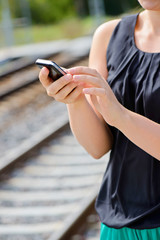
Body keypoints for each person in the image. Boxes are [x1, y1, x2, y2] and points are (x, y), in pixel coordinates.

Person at [39, 0, 160, 239]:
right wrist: (74, 101)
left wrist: (121, 116)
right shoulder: (108, 35)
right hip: (118, 223)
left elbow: (118, 117)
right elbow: (98, 147)